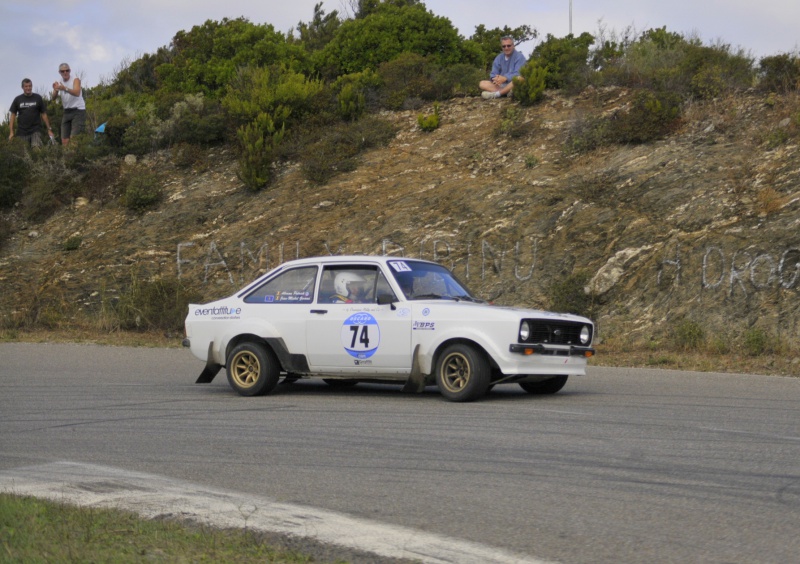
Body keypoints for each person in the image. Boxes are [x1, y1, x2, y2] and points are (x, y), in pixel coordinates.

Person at [8, 79, 54, 147]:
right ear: (22, 87)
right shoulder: (17, 99)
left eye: (30, 86)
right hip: (22, 131)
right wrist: (11, 132)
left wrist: (49, 129)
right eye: (26, 86)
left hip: (35, 130)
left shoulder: (38, 98)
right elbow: (12, 115)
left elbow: (44, 114)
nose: (28, 88)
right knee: (22, 152)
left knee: (36, 148)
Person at [51, 63, 86, 145]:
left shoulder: (75, 80)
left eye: (67, 70)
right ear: (60, 72)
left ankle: (76, 156)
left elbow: (77, 92)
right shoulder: (59, 82)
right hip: (67, 112)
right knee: (64, 140)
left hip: (78, 110)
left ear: (70, 71)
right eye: (63, 71)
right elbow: (53, 98)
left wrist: (65, 88)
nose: (65, 73)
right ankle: (66, 157)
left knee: (74, 140)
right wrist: (55, 90)